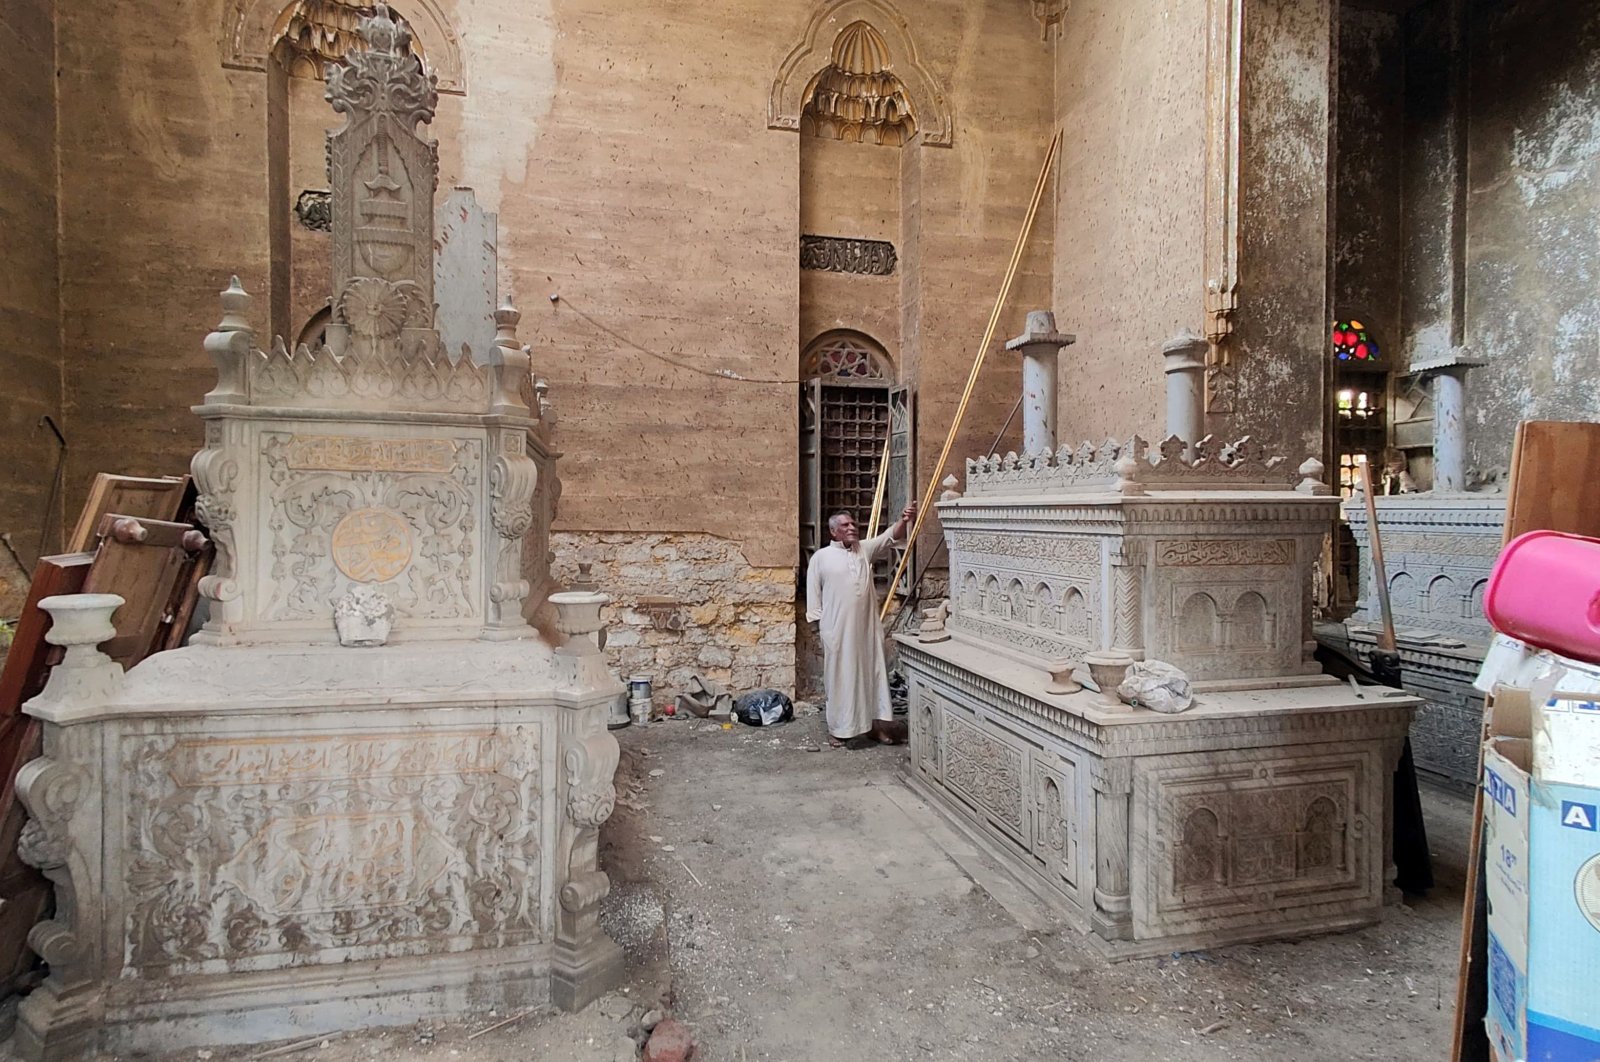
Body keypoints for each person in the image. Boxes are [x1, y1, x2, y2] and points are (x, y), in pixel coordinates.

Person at [805, 503, 917, 748]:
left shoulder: (863, 550)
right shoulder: (821, 558)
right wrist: (818, 632)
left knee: (871, 675)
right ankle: (839, 730)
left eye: (853, 524)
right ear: (833, 532)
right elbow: (813, 598)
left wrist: (904, 518)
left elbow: (889, 538)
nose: (852, 528)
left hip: (866, 630)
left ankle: (873, 726)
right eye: (846, 525)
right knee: (840, 678)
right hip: (837, 631)